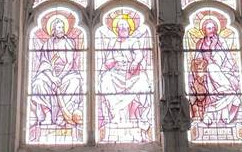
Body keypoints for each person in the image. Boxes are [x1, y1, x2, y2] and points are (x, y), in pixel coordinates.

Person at [97, 11, 153, 141]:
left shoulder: (133, 41)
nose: (123, 30)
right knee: (105, 80)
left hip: (131, 73)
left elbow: (139, 55)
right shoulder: (113, 43)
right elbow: (107, 61)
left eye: (125, 28)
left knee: (143, 83)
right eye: (120, 28)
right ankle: (115, 114)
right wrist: (112, 62)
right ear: (117, 30)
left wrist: (134, 62)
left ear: (129, 29)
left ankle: (133, 115)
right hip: (116, 73)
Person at [28, 12, 84, 141]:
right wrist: (52, 78)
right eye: (58, 27)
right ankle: (47, 114)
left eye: (62, 27)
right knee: (38, 83)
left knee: (75, 82)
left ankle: (62, 115)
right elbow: (44, 63)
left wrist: (60, 78)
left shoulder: (68, 42)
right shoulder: (47, 44)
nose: (61, 29)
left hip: (66, 73)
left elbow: (70, 63)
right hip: (49, 73)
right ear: (52, 30)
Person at [188, 14, 242, 136]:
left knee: (212, 68)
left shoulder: (221, 41)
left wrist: (213, 48)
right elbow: (197, 59)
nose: (211, 30)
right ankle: (228, 96)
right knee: (210, 70)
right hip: (207, 73)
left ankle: (225, 96)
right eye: (209, 28)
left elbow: (226, 57)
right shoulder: (200, 43)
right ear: (204, 30)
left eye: (213, 28)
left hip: (224, 71)